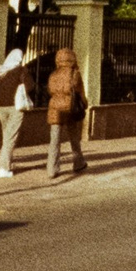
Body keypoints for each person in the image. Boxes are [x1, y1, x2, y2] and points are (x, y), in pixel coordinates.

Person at [0, 48, 32, 179]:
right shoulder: (21, 70)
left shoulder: (0, 72)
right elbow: (31, 86)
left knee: (7, 136)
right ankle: (3, 168)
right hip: (16, 108)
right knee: (10, 138)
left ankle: (7, 163)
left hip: (1, 108)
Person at [44, 45, 85, 179]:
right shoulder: (75, 74)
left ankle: (52, 169)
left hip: (55, 107)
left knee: (54, 140)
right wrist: (84, 104)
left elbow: (50, 90)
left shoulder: (53, 74)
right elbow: (80, 92)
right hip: (70, 107)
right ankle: (78, 163)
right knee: (74, 137)